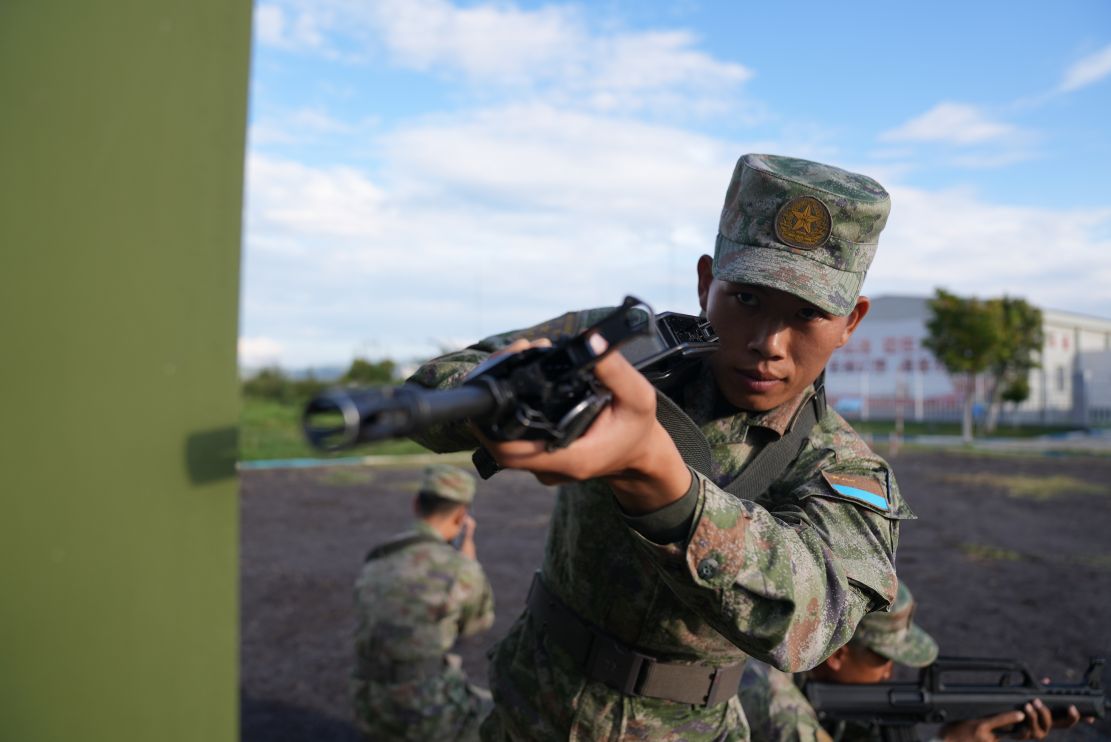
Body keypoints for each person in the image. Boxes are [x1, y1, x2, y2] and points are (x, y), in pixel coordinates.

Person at [408, 153, 915, 740]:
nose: (767, 343)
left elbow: (814, 618)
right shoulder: (630, 350)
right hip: (532, 707)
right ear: (706, 283)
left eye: (807, 314)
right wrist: (517, 400)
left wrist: (661, 482)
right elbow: (437, 389)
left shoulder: (842, 466)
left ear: (850, 322)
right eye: (746, 298)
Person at [740, 581, 1086, 742]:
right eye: (883, 659)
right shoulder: (766, 689)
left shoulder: (820, 683)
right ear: (839, 654)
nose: (891, 671)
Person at [351, 464, 495, 741]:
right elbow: (476, 625)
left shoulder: (379, 557)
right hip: (424, 708)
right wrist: (469, 562)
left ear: (416, 503)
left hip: (368, 700)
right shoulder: (460, 569)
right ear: (461, 516)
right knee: (500, 716)